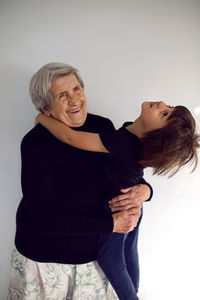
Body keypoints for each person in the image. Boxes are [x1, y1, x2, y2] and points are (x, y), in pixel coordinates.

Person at [8, 62, 153, 300]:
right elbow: (46, 218)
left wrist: (145, 190)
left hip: (93, 262)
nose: (74, 100)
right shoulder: (35, 144)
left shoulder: (102, 127)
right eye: (62, 95)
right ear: (45, 107)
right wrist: (111, 225)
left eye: (76, 89)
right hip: (44, 262)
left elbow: (126, 172)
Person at [36, 100, 200, 300]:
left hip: (118, 212)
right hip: (132, 208)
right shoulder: (131, 136)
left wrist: (41, 118)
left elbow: (70, 137)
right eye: (169, 107)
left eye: (164, 114)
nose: (161, 104)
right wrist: (146, 190)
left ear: (153, 136)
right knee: (129, 252)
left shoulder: (123, 142)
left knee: (111, 259)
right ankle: (134, 289)